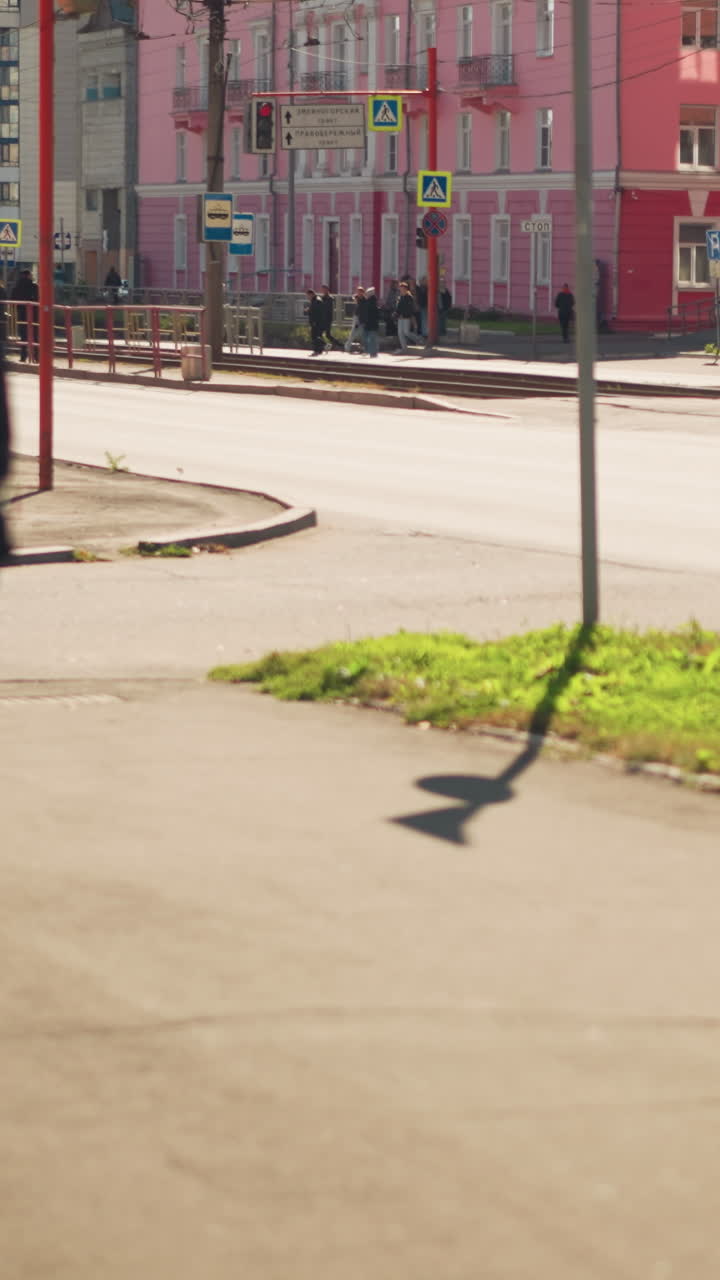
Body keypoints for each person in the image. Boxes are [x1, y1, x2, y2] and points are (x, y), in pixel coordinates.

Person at [11, 269, 39, 363]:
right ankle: (36, 357)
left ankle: (23, 356)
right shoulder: (34, 287)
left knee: (23, 336)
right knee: (35, 335)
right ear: (28, 276)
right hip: (34, 314)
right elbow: (39, 298)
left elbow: (12, 300)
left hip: (21, 314)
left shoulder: (16, 287)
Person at [318, 285, 343, 351]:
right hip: (323, 319)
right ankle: (339, 345)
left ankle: (338, 345)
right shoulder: (323, 298)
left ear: (327, 289)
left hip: (327, 319)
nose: (323, 291)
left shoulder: (330, 298)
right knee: (324, 334)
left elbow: (326, 307)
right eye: (322, 289)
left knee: (324, 334)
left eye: (324, 289)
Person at [395, 281, 416, 352]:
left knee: (406, 332)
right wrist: (396, 314)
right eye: (400, 288)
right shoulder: (400, 297)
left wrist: (404, 314)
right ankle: (404, 348)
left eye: (403, 289)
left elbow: (409, 309)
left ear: (406, 289)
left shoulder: (409, 297)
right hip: (400, 318)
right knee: (400, 333)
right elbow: (398, 308)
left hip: (406, 317)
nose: (401, 290)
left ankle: (419, 339)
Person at [345, 286, 367, 354]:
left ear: (363, 292)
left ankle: (363, 347)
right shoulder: (358, 299)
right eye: (358, 291)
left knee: (362, 332)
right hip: (357, 317)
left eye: (361, 291)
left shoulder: (364, 300)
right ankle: (347, 346)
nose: (359, 293)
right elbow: (354, 297)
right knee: (354, 331)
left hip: (362, 318)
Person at [305, 289, 325, 356]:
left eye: (308, 295)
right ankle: (320, 349)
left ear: (311, 294)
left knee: (315, 336)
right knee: (318, 336)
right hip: (318, 322)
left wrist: (314, 321)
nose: (308, 297)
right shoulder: (316, 300)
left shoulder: (316, 301)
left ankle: (317, 349)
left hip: (316, 322)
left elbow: (316, 312)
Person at [364, 286, 380, 358]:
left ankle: (373, 353)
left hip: (370, 323)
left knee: (371, 338)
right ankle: (373, 352)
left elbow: (368, 313)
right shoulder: (373, 302)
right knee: (372, 338)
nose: (366, 294)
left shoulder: (369, 303)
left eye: (367, 293)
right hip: (372, 323)